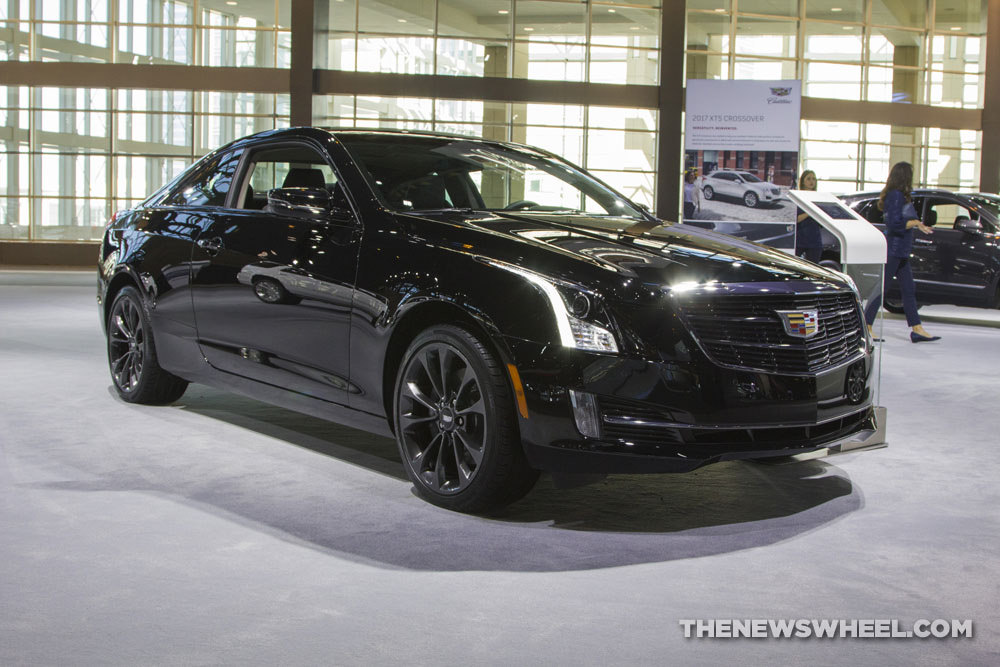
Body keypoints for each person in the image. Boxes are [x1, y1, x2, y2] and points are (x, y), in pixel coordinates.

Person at [863, 161, 940, 343]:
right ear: (904, 177)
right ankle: (866, 326)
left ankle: (917, 328)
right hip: (895, 249)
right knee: (881, 289)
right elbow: (894, 224)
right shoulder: (896, 196)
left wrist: (918, 224)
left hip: (901, 250)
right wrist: (914, 223)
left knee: (908, 289)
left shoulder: (899, 196)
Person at [794, 170, 823, 263]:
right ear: (803, 181)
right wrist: (810, 212)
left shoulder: (819, 198)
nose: (812, 181)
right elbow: (795, 219)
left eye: (814, 179)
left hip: (815, 240)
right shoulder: (798, 197)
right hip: (800, 240)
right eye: (809, 179)